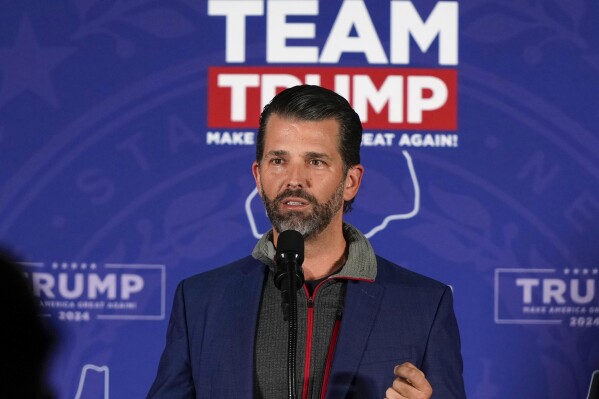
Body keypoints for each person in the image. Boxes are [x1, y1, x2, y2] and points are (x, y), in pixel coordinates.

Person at [148, 85, 466, 398]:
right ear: (258, 177)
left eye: (315, 161)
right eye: (279, 160)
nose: (295, 179)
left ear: (351, 182)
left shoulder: (424, 305)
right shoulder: (200, 301)